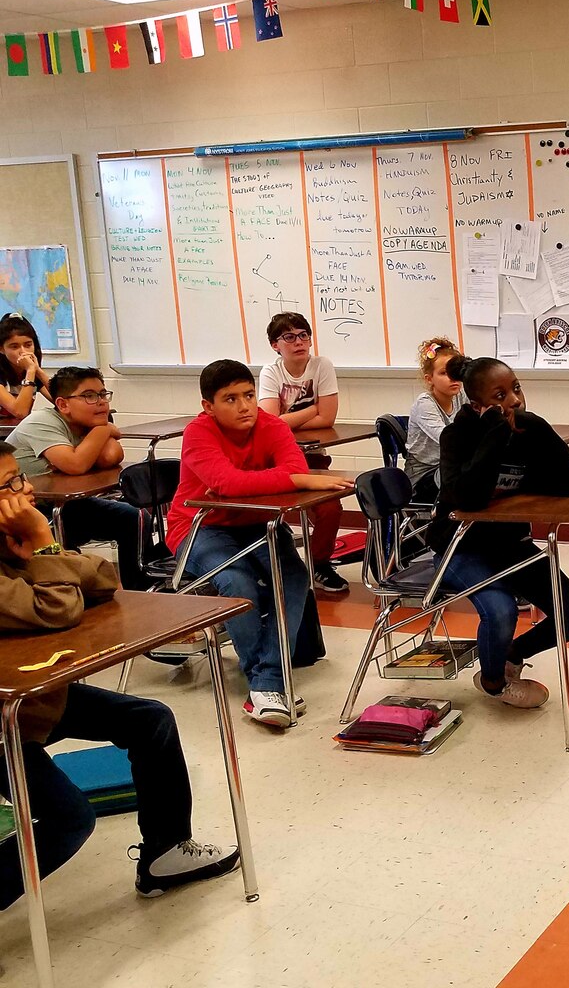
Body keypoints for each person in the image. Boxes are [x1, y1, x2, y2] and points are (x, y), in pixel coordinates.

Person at [0, 441, 240, 904]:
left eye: (19, 477)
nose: (26, 490)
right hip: (7, 720)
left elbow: (103, 579)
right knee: (70, 819)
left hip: (34, 699)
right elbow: (59, 605)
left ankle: (164, 854)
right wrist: (45, 543)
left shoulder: (11, 544)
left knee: (149, 720)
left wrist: (40, 551)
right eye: (9, 485)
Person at [167, 359, 352, 727]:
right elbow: (228, 485)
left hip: (257, 524)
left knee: (295, 577)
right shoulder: (198, 433)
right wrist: (295, 480)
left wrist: (294, 477)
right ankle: (268, 682)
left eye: (249, 395)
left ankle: (266, 681)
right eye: (230, 399)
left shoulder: (271, 426)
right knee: (238, 583)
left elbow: (292, 469)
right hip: (199, 527)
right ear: (208, 406)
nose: (244, 406)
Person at [429, 357, 569, 709]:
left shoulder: (529, 426)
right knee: (501, 610)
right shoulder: (456, 436)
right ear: (478, 405)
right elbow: (468, 499)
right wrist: (495, 434)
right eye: (500, 394)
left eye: (516, 387)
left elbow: (567, 484)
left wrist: (534, 430)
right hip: (460, 545)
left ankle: (509, 656)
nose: (515, 400)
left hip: (508, 543)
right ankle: (492, 682)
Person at [4, 365, 147, 591]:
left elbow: (113, 455)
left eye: (102, 394)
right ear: (62, 404)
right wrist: (104, 430)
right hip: (26, 513)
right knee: (72, 556)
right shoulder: (42, 421)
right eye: (89, 396)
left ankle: (138, 591)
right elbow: (76, 464)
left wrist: (101, 428)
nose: (100, 402)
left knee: (135, 517)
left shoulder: (86, 423)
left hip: (63, 505)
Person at [257, 312, 348, 595]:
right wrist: (312, 409)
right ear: (276, 345)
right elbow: (271, 422)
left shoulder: (322, 366)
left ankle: (319, 563)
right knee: (267, 512)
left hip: (312, 457)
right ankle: (267, 565)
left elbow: (328, 419)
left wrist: (290, 417)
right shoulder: (271, 372)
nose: (299, 342)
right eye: (289, 337)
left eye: (303, 335)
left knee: (331, 507)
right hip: (275, 459)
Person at [404, 336, 463, 502]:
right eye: (444, 373)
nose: (452, 378)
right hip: (424, 475)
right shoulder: (425, 404)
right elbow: (448, 439)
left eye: (456, 372)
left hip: (450, 468)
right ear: (429, 379)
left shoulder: (461, 395)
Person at [0, 313, 52, 418]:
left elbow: (64, 402)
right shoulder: (29, 372)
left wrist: (38, 371)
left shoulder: (31, 371)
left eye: (28, 345)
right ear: (1, 349)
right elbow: (20, 412)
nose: (23, 352)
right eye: (14, 347)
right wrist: (31, 371)